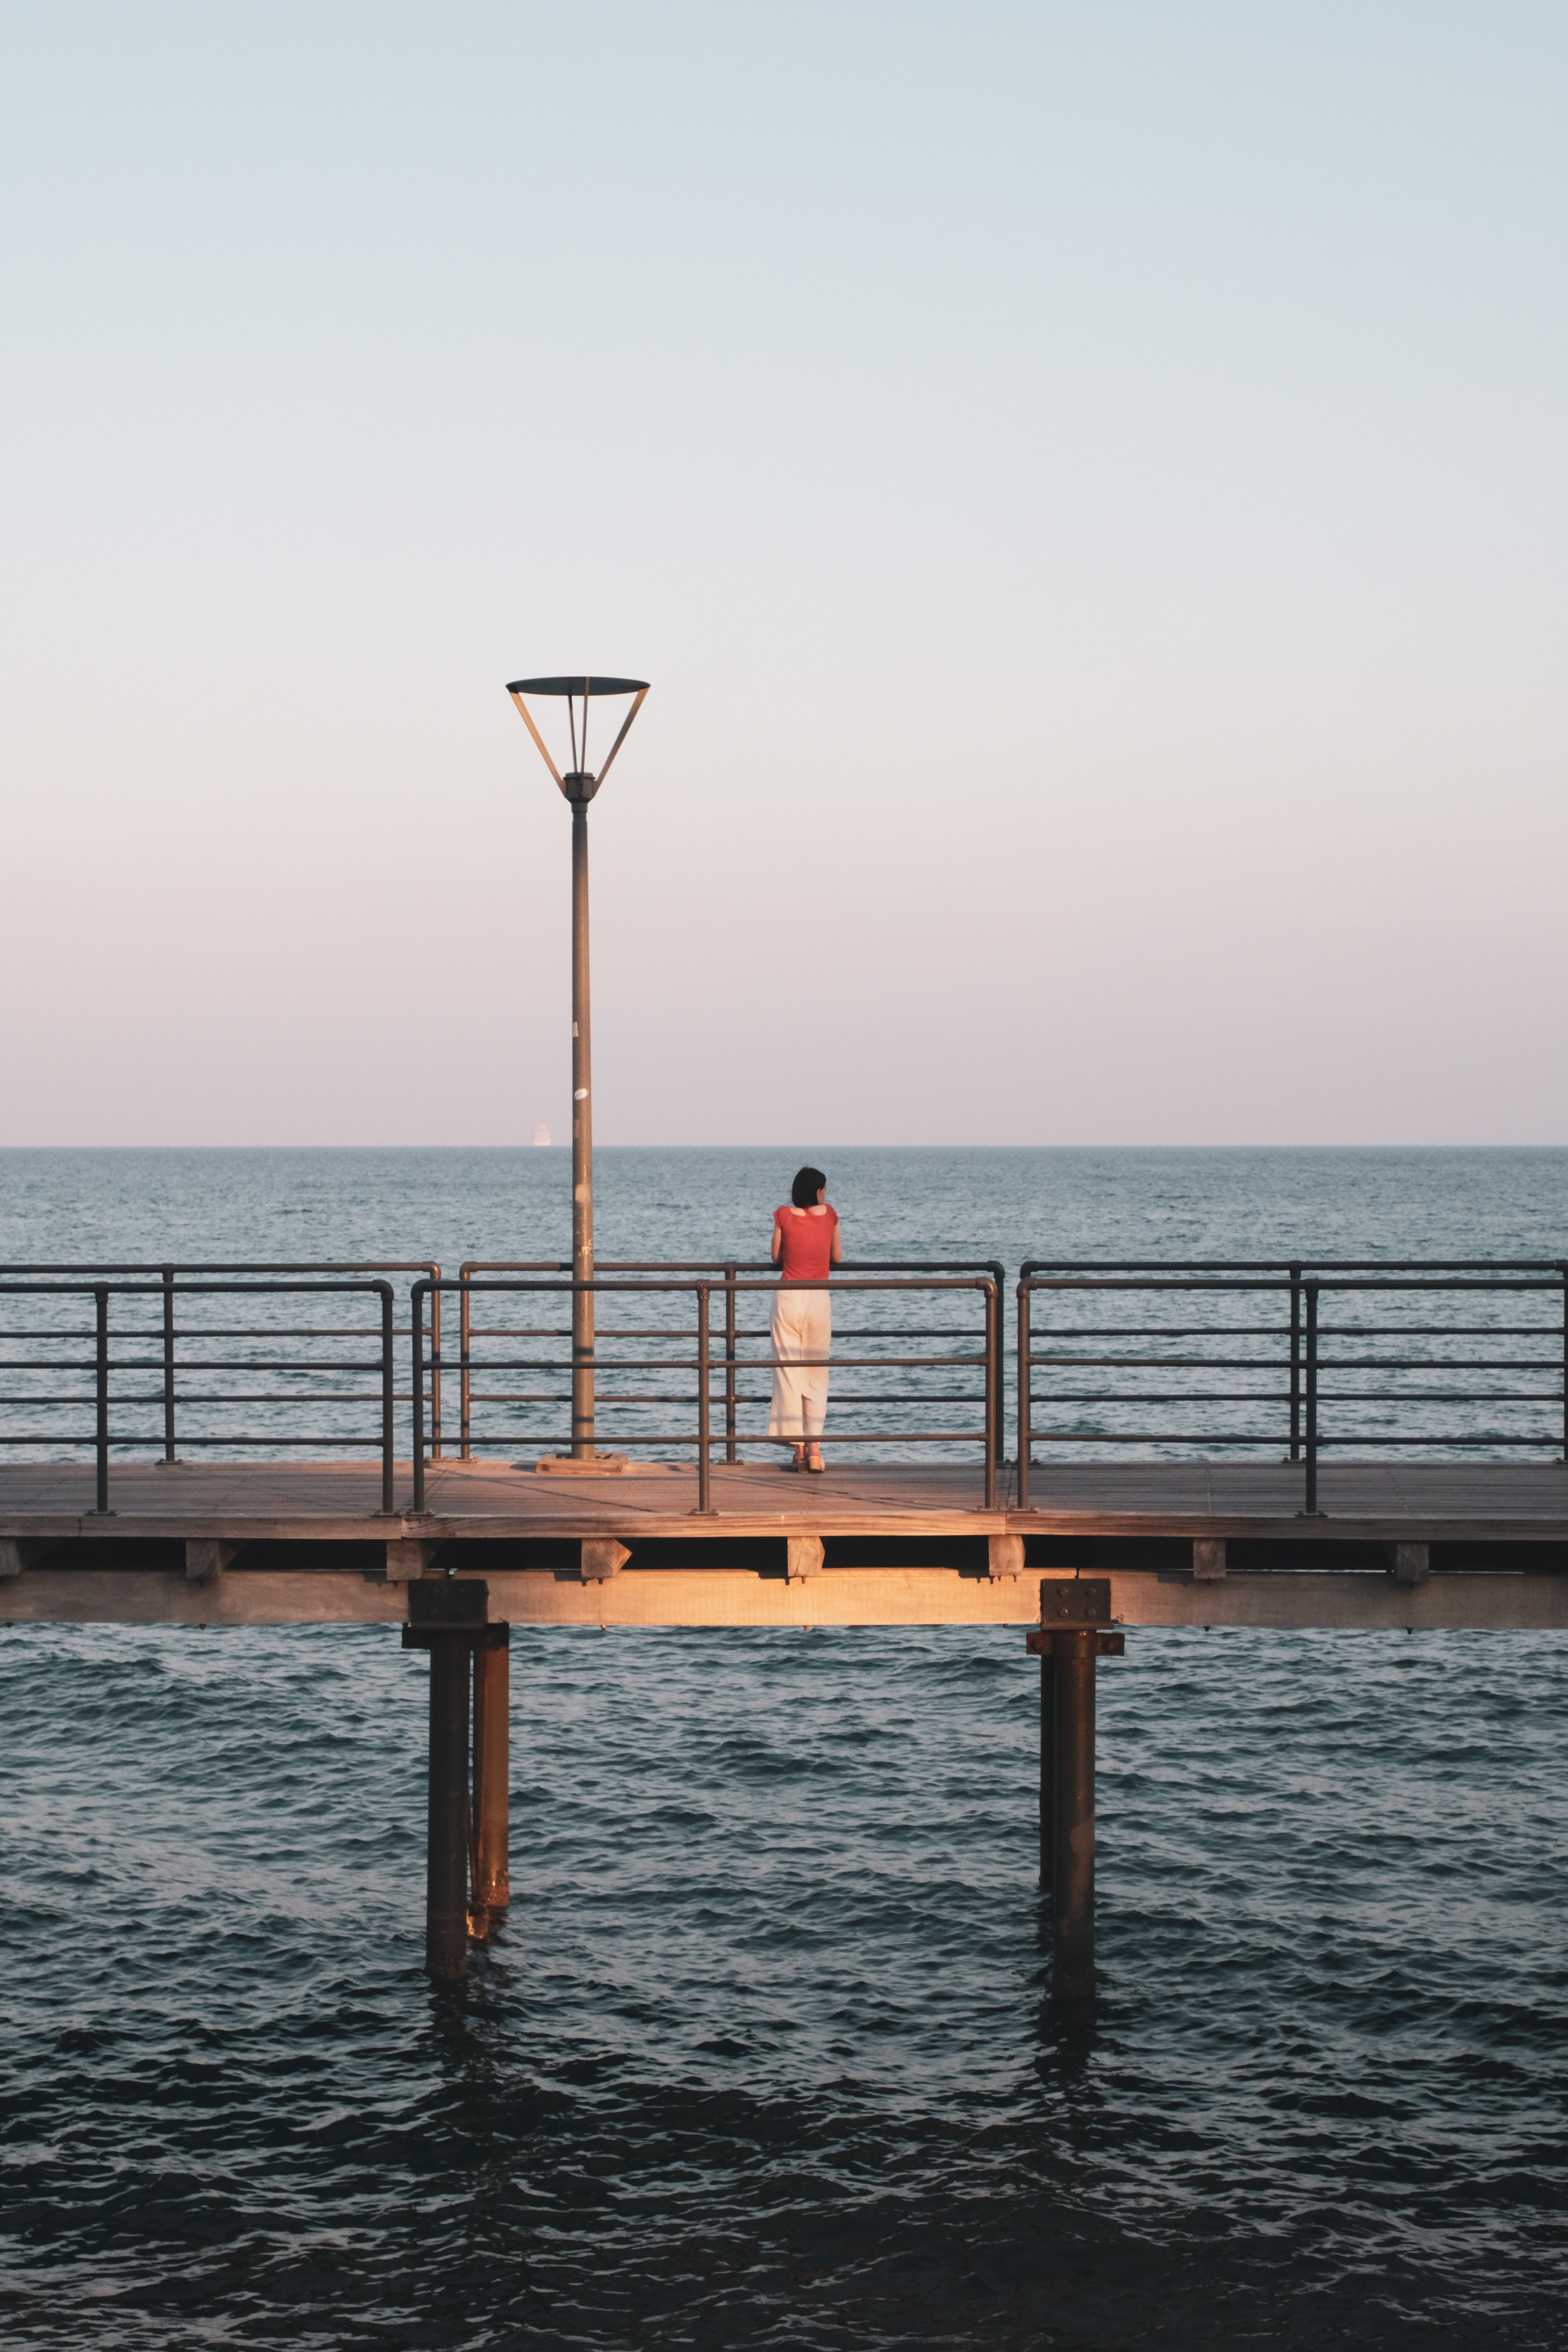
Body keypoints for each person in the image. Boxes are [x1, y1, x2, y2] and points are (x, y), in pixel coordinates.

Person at [769, 1164, 842, 1472]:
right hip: (818, 1300)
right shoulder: (831, 1215)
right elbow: (837, 1257)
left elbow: (775, 1256)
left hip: (788, 1298)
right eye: (823, 1189)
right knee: (816, 1375)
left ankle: (797, 1448)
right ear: (818, 1191)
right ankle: (815, 1450)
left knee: (788, 1373)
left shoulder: (784, 1215)